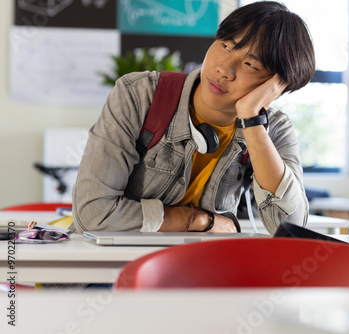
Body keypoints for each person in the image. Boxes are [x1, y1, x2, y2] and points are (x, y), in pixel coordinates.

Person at [72, 1, 316, 235]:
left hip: (201, 273)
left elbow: (291, 228)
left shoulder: (275, 130)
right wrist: (195, 221)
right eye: (226, 46)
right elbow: (93, 215)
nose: (224, 69)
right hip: (112, 269)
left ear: (274, 86)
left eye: (250, 64)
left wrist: (251, 120)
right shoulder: (140, 95)